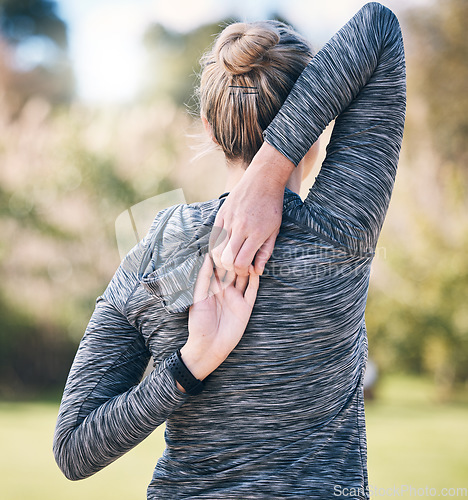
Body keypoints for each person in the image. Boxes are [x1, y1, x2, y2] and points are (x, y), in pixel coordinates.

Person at [53, 2, 406, 498]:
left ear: (207, 125)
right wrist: (276, 164)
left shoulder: (164, 251)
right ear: (319, 122)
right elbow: (377, 28)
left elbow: (73, 448)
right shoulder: (338, 231)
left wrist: (183, 369)